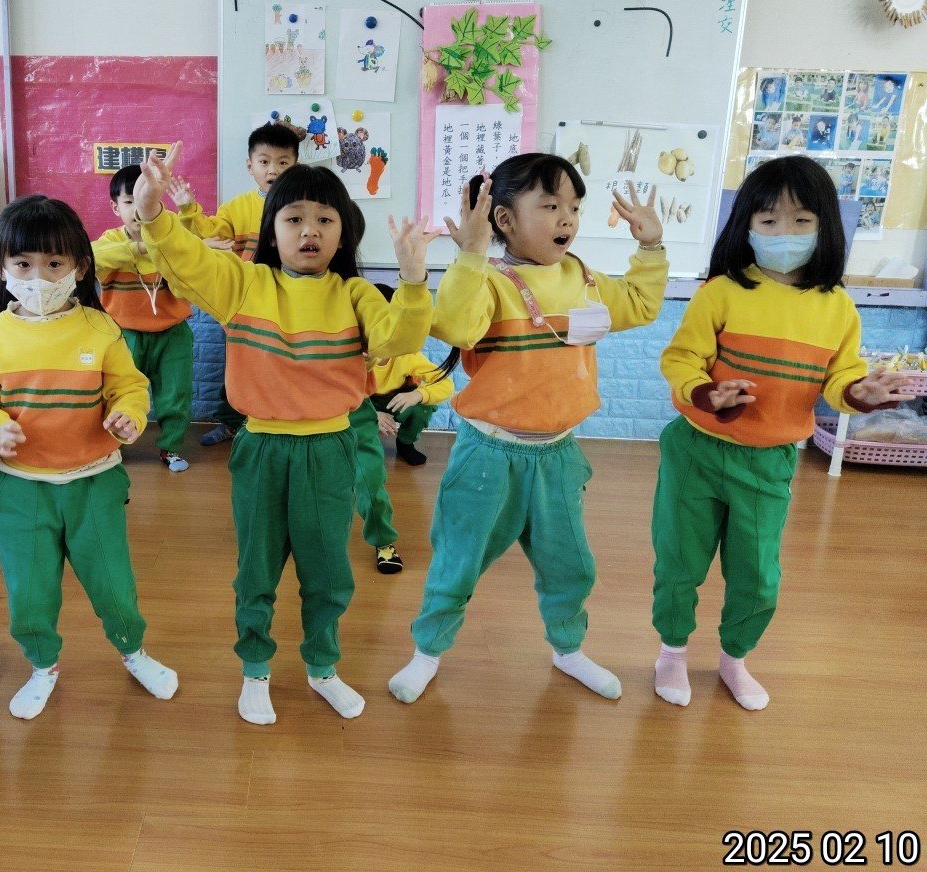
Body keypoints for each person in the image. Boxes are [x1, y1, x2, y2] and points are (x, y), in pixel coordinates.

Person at [135, 142, 435, 725]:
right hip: (262, 449)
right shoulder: (244, 284)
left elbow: (399, 339)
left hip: (331, 448)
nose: (310, 230)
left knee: (328, 571)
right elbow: (186, 259)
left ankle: (323, 667)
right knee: (257, 568)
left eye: (325, 219)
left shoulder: (355, 293)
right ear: (272, 230)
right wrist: (152, 211)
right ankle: (255, 671)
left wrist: (413, 276)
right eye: (294, 218)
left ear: (344, 234)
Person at [388, 154, 668, 706]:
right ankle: (426, 654)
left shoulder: (583, 278)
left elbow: (639, 305)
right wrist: (470, 254)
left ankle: (569, 649)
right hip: (488, 456)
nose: (567, 218)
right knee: (458, 562)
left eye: (574, 207)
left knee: (571, 567)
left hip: (557, 456)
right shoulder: (490, 281)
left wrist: (651, 248)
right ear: (505, 219)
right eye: (550, 205)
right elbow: (455, 325)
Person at [650, 156, 915, 711]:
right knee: (680, 562)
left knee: (757, 574)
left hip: (768, 461)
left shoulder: (837, 308)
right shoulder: (722, 291)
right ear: (746, 225)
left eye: (801, 221)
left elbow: (840, 378)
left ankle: (734, 658)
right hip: (697, 450)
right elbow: (681, 359)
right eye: (768, 220)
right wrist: (707, 392)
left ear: (825, 227)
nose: (783, 233)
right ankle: (671, 651)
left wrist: (862, 391)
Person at [0, 194, 178, 720]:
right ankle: (42, 666)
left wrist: (128, 413)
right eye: (23, 264)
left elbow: (130, 387)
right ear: (2, 267)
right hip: (21, 487)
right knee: (29, 592)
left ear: (79, 267)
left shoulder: (100, 328)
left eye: (54, 263)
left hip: (93, 482)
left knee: (113, 584)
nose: (39, 276)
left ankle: (134, 651)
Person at [169, 122, 301, 446]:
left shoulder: (306, 207)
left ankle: (278, 425)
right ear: (250, 165)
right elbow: (208, 235)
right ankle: (230, 423)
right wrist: (187, 208)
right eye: (264, 161)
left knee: (285, 367)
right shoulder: (239, 207)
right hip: (245, 304)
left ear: (296, 165)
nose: (273, 170)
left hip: (293, 305)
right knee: (239, 367)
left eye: (283, 162)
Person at [94, 164, 195, 472]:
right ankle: (114, 444)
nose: (138, 210)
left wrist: (186, 215)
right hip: (124, 335)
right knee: (119, 392)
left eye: (147, 201)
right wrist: (141, 248)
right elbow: (93, 257)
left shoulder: (170, 234)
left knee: (175, 394)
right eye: (130, 202)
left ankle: (171, 448)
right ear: (115, 207)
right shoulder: (110, 241)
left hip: (173, 332)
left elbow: (190, 257)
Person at [368, 283, 455, 467]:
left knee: (423, 407)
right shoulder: (351, 354)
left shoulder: (406, 354)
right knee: (345, 411)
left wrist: (418, 394)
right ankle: (361, 443)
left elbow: (445, 383)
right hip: (364, 401)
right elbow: (341, 395)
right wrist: (373, 413)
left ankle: (405, 443)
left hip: (394, 398)